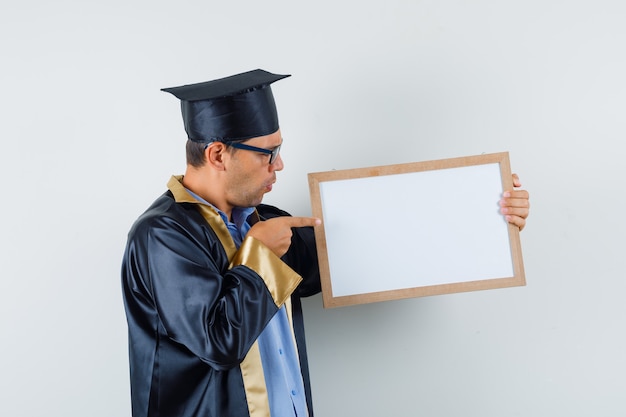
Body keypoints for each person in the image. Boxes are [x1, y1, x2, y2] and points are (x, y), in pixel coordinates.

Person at [121, 69, 530, 417]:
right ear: (217, 154)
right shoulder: (162, 235)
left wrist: (488, 210)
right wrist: (260, 257)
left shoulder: (265, 220)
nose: (279, 164)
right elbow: (218, 341)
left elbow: (363, 249)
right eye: (269, 152)